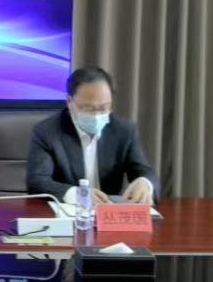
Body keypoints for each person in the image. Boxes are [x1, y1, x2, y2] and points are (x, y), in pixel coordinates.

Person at [26, 66, 157, 204]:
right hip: (68, 211)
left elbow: (143, 170)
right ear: (69, 102)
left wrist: (145, 183)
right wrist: (78, 194)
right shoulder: (47, 132)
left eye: (104, 108)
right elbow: (37, 181)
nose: (96, 115)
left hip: (108, 210)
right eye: (87, 108)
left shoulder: (124, 130)